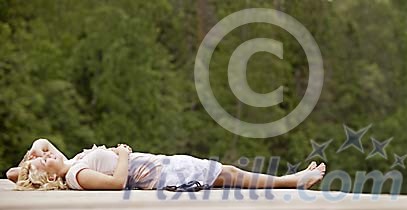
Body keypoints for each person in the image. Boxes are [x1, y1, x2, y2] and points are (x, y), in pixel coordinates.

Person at [7, 138, 326, 191]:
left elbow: (37, 145)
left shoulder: (69, 164)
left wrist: (33, 163)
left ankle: (291, 179)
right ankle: (291, 180)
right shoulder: (77, 173)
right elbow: (117, 183)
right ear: (49, 175)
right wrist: (122, 155)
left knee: (229, 174)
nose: (47, 152)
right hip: (155, 175)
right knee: (229, 175)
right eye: (46, 159)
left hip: (157, 166)